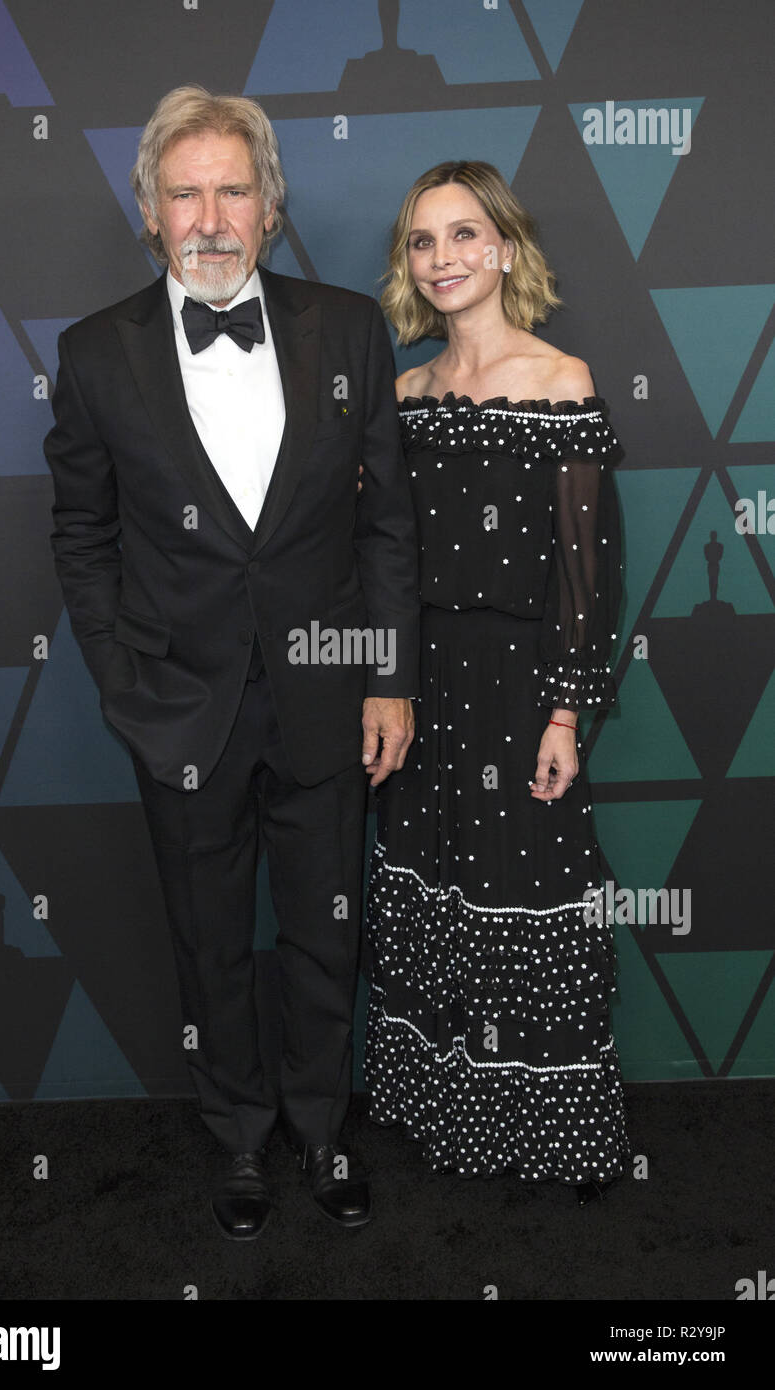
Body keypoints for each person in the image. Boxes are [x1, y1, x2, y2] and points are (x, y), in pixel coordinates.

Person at [44, 86, 420, 1239]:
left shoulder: (348, 326)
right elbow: (83, 536)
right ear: (150, 213)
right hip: (179, 708)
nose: (209, 214)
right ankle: (241, 1137)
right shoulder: (94, 352)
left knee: (324, 927)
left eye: (233, 187)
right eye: (184, 190)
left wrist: (388, 675)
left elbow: (385, 526)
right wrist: (124, 682)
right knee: (210, 938)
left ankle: (319, 1128)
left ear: (269, 205)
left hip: (327, 695)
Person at [364, 160, 630, 1201]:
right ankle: (452, 1121)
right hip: (422, 681)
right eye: (423, 242)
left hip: (520, 681)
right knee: (437, 893)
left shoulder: (558, 379)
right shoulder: (401, 393)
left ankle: (554, 1136)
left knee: (529, 892)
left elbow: (582, 570)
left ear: (505, 249)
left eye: (464, 235)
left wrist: (565, 708)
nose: (443, 259)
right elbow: (375, 556)